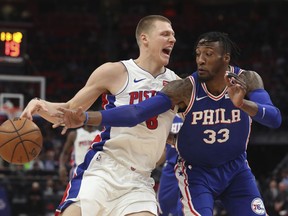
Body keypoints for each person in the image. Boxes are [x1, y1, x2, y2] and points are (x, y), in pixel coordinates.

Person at [54, 32, 282, 216]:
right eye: (198, 54)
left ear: (226, 58)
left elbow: (274, 118)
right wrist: (86, 117)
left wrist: (242, 104)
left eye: (209, 54)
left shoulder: (247, 79)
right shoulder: (185, 88)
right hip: (197, 173)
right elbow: (136, 112)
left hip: (237, 170)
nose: (201, 59)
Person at [20, 15, 179, 216]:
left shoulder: (177, 85)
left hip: (140, 179)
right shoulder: (115, 71)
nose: (172, 39)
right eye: (165, 34)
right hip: (103, 170)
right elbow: (70, 111)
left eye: (173, 35)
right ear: (145, 38)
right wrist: (40, 106)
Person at [157, 114, 183, 216]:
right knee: (163, 207)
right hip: (171, 167)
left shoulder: (197, 110)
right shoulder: (168, 115)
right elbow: (163, 148)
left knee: (183, 209)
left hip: (192, 167)